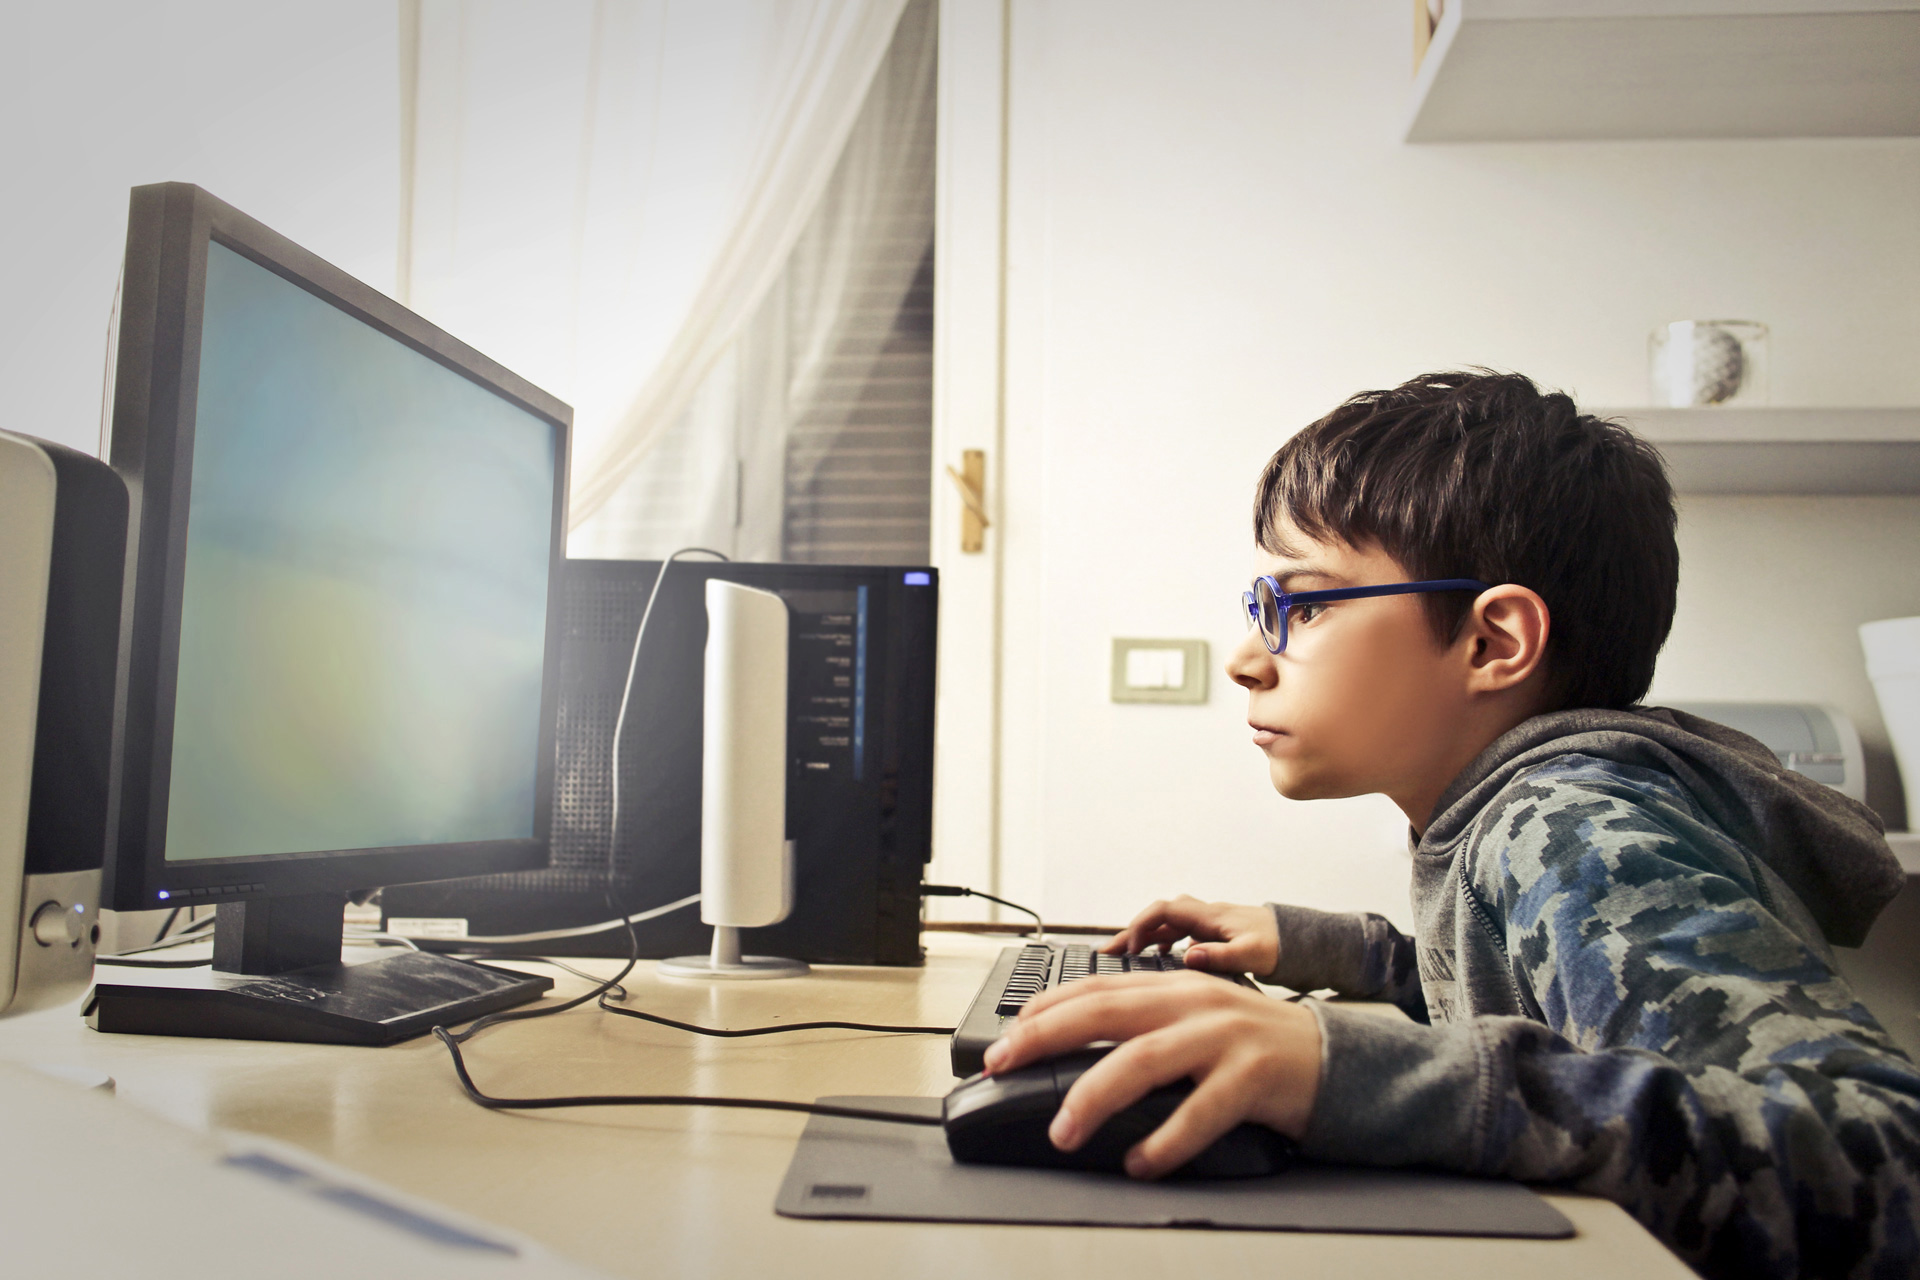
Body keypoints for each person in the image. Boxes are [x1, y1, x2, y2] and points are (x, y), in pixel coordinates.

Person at [982, 371, 1920, 1278]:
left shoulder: (1569, 829)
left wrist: (1352, 1073)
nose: (1246, 660)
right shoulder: (1506, 820)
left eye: (1299, 606)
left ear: (1492, 642)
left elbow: (1883, 1156)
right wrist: (1328, 948)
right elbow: (1536, 995)